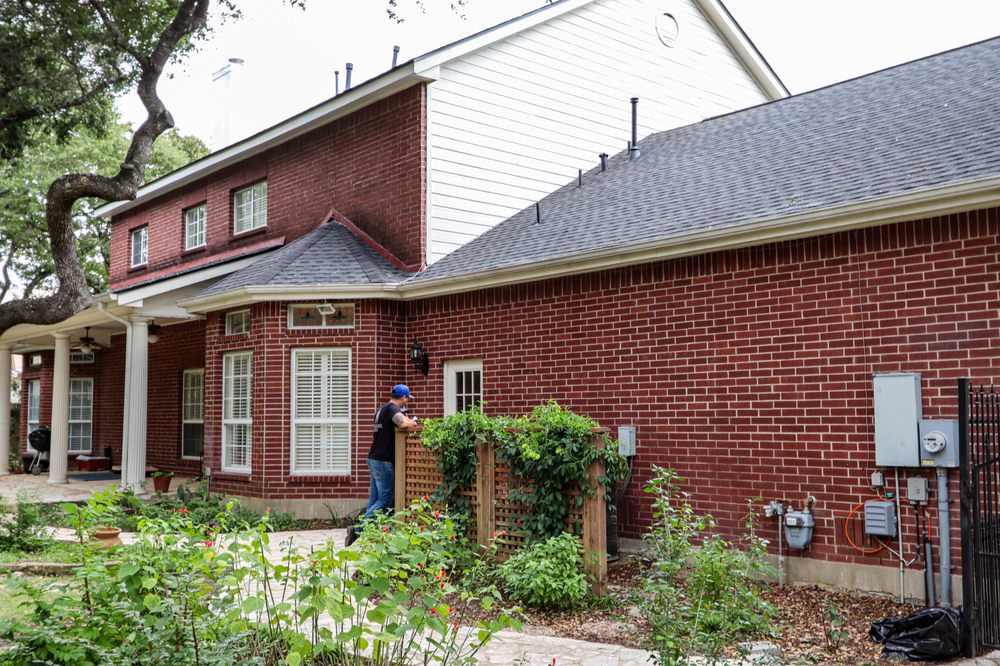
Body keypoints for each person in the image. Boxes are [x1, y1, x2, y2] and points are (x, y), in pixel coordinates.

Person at [345, 384, 419, 546]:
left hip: (373, 458)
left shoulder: (381, 409)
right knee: (386, 499)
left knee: (375, 499)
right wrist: (413, 423)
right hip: (384, 461)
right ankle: (357, 530)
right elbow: (403, 424)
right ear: (403, 397)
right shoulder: (392, 409)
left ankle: (370, 534)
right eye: (407, 399)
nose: (407, 402)